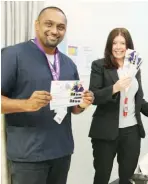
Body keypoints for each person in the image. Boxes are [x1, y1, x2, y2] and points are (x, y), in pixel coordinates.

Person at [1, 6, 94, 184]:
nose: (54, 31)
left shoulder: (68, 64)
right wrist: (26, 104)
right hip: (28, 155)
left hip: (61, 151)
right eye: (49, 24)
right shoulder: (13, 55)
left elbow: (73, 109)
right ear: (37, 25)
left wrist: (82, 104)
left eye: (60, 27)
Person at [88, 27, 148, 184]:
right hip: (105, 131)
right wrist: (114, 88)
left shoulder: (134, 68)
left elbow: (138, 100)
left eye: (122, 43)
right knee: (102, 176)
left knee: (127, 177)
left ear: (128, 46)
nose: (118, 47)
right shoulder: (99, 66)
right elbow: (93, 96)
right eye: (114, 43)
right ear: (109, 45)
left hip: (131, 131)